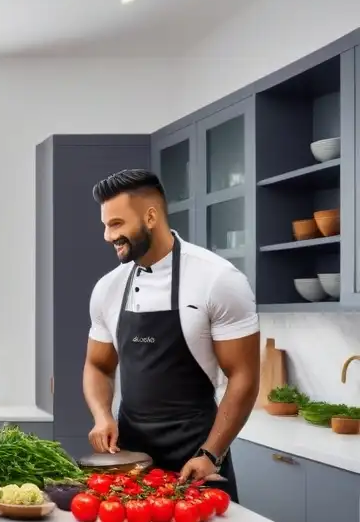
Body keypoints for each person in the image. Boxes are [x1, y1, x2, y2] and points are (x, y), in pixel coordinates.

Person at [82, 169, 260, 501]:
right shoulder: (108, 287)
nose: (107, 236)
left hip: (197, 454)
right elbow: (97, 366)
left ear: (150, 216)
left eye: (116, 224)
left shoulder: (218, 279)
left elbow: (244, 377)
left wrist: (211, 453)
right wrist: (102, 416)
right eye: (106, 225)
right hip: (130, 458)